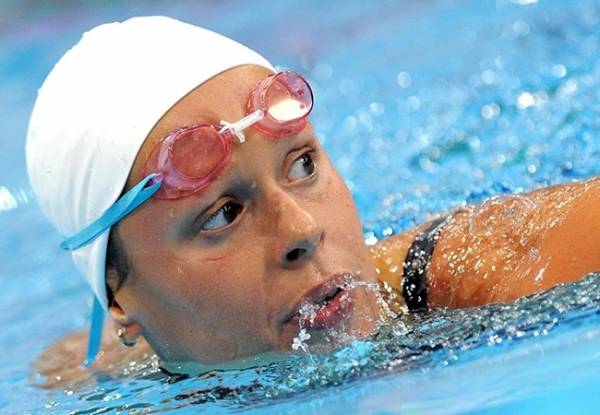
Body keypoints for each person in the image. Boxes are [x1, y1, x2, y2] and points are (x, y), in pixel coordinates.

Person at [28, 16, 600, 388]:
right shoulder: (96, 380)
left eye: (302, 164)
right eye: (223, 214)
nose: (302, 230)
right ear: (120, 301)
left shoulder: (477, 269)